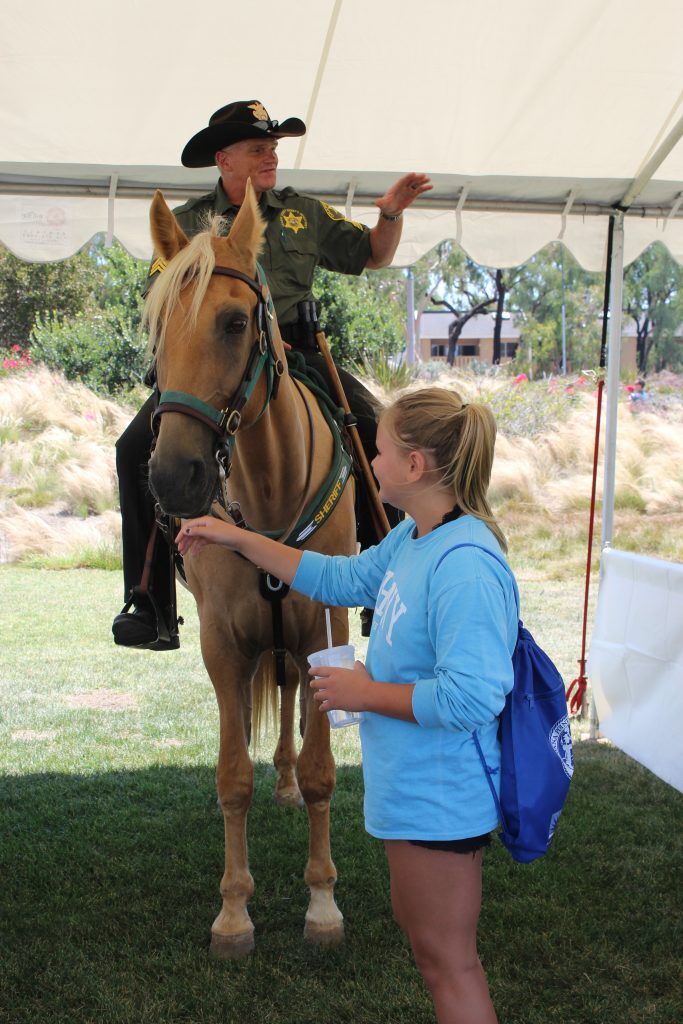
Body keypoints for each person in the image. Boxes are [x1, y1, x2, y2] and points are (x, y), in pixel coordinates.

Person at [176, 387, 517, 1024]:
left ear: (416, 467)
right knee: (434, 955)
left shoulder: (465, 562)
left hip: (441, 800)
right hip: (412, 797)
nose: (370, 462)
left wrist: (366, 693)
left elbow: (475, 694)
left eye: (380, 450)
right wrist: (233, 535)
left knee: (450, 963)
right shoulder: (413, 540)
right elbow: (337, 576)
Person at [113, 99, 432, 650]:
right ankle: (149, 599)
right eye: (258, 148)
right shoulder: (187, 224)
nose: (271, 158)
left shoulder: (301, 212)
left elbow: (374, 255)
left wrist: (391, 215)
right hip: (214, 360)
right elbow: (163, 299)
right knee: (133, 447)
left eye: (274, 148)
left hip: (301, 354)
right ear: (224, 158)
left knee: (379, 433)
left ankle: (381, 590)